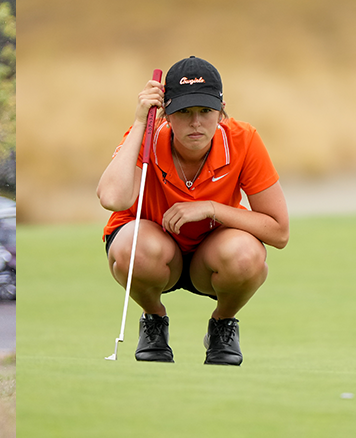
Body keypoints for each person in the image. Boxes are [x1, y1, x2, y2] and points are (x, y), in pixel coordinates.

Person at [96, 56, 289, 366]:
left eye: (205, 111)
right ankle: (154, 320)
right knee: (133, 249)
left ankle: (222, 325)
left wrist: (212, 208)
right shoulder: (146, 135)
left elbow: (279, 232)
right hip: (154, 249)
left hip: (212, 254)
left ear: (221, 109)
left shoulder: (243, 139)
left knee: (247, 256)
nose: (196, 122)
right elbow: (112, 198)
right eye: (184, 112)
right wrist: (139, 122)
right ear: (166, 114)